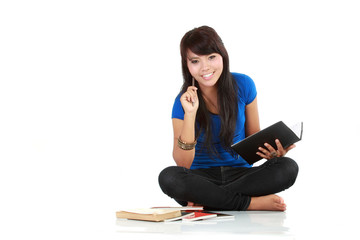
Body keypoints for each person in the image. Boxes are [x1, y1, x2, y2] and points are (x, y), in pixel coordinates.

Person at [158, 26, 299, 211]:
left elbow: (253, 142)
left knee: (288, 167)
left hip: (241, 176)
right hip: (200, 178)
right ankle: (249, 203)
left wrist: (271, 153)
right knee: (168, 177)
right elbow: (183, 164)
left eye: (211, 57)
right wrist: (190, 114)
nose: (205, 67)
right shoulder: (182, 102)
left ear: (222, 55)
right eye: (195, 61)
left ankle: (208, 201)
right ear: (187, 65)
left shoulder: (244, 85)